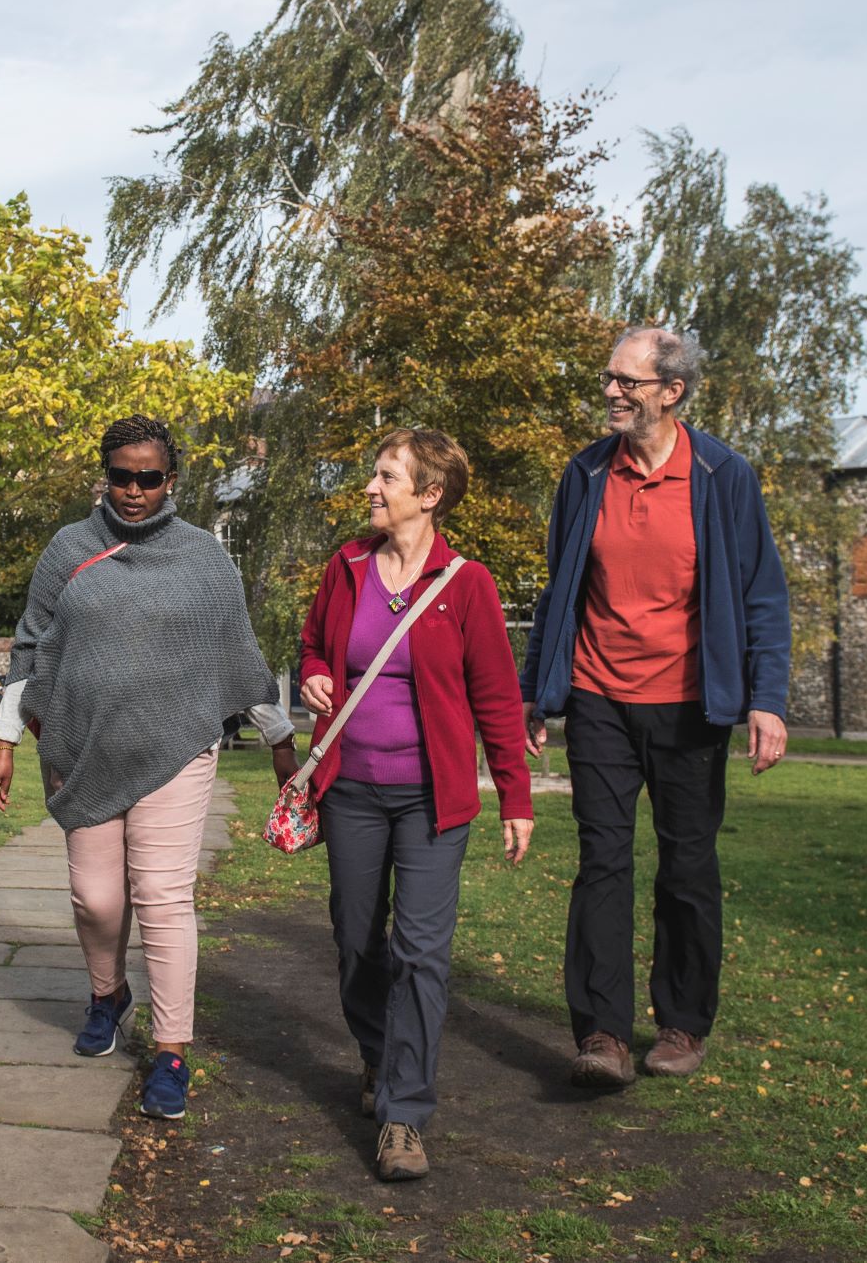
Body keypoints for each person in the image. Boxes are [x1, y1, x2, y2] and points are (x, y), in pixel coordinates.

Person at [0, 416, 296, 1121]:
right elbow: (30, 651)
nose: (132, 490)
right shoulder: (68, 549)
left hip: (176, 749)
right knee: (96, 900)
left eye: (147, 478)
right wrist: (2, 741)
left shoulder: (203, 557)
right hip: (81, 747)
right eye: (120, 475)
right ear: (105, 475)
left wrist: (277, 736)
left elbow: (237, 651)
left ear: (170, 482)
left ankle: (172, 1050)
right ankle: (107, 996)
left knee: (160, 896)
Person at [521, 327, 790, 1090]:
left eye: (626, 382)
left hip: (689, 705)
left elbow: (762, 593)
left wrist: (764, 699)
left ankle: (681, 1023)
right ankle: (602, 1033)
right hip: (599, 697)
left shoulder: (721, 475)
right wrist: (536, 691)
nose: (610, 391)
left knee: (687, 865)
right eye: (607, 377)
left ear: (670, 392)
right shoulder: (583, 475)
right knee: (602, 861)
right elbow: (558, 592)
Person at [296, 428, 533, 1182]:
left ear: (428, 495)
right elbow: (311, 642)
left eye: (386, 476)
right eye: (373, 473)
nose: (370, 486)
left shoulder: (467, 584)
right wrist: (311, 674)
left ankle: (403, 1116)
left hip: (432, 801)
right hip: (352, 793)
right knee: (358, 942)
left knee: (420, 954)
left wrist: (514, 798)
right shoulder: (347, 566)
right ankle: (378, 1057)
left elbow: (497, 697)